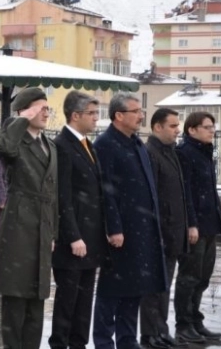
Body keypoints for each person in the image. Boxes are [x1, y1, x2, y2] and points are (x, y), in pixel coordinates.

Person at [92, 93, 167, 349]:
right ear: (119, 115)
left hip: (142, 228)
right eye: (135, 111)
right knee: (111, 291)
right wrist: (114, 228)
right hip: (121, 231)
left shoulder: (136, 143)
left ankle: (127, 340)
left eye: (140, 110)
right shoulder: (105, 144)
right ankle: (103, 342)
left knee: (135, 288)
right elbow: (106, 191)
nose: (141, 115)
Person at [0, 87, 58, 349]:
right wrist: (21, 119)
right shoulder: (16, 140)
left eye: (47, 108)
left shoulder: (49, 145)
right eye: (39, 108)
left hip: (42, 225)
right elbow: (4, 146)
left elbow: (54, 193)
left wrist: (53, 232)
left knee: (37, 296)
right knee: (16, 295)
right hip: (19, 224)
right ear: (24, 111)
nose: (46, 113)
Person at [49, 91, 106, 349]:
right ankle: (61, 344)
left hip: (90, 237)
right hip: (74, 239)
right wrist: (73, 236)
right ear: (75, 116)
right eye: (92, 114)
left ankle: (79, 344)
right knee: (67, 300)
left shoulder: (86, 144)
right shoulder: (62, 146)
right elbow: (63, 196)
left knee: (84, 301)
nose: (96, 118)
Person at [139, 108, 190, 349]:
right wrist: (155, 232)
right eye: (172, 126)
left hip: (172, 234)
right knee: (154, 288)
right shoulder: (150, 153)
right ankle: (150, 334)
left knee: (164, 286)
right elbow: (151, 198)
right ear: (157, 127)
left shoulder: (170, 153)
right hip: (159, 234)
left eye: (177, 125)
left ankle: (161, 330)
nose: (177, 130)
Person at [174, 111, 221, 343]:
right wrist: (191, 224)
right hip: (196, 227)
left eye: (213, 127)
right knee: (189, 277)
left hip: (209, 225)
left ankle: (196, 321)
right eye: (207, 127)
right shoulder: (185, 153)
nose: (212, 131)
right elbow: (186, 193)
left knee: (203, 277)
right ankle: (183, 325)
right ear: (191, 130)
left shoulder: (204, 153)